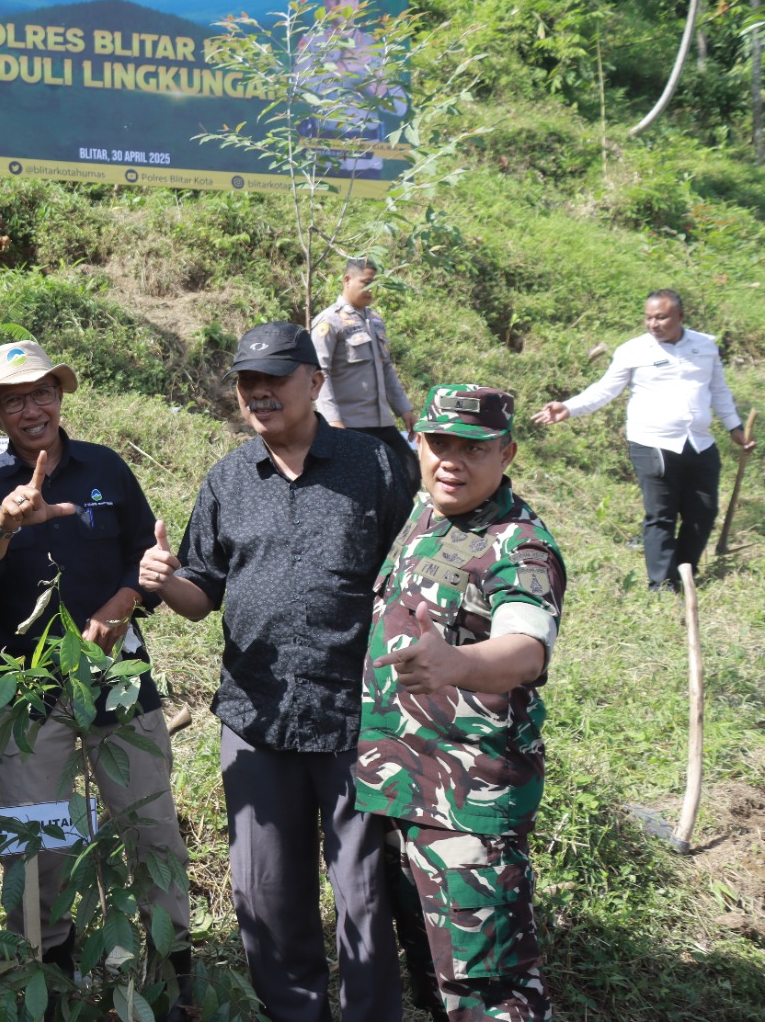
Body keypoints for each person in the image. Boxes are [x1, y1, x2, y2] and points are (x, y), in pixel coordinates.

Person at [138, 321, 414, 1022]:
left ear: (315, 384)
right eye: (246, 383)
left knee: (363, 890)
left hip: (355, 715)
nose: (259, 394)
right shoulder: (231, 477)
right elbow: (202, 596)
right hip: (257, 718)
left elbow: (411, 580)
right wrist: (164, 579)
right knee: (264, 890)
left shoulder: (377, 466)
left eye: (276, 379)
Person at [0, 341, 195, 1021]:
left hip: (117, 683)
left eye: (41, 393)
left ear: (60, 396)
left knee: (152, 833)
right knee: (35, 846)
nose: (31, 409)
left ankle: (175, 981)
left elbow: (147, 555)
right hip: (29, 692)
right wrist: (5, 521)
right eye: (13, 399)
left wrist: (118, 610)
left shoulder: (105, 469)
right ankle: (43, 982)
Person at [355, 385, 567, 1022]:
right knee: (432, 974)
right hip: (397, 789)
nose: (451, 460)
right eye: (438, 443)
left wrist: (459, 663)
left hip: (467, 807)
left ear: (506, 452)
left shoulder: (520, 545)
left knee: (489, 990)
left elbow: (525, 648)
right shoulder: (427, 514)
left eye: (472, 448)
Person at [532, 288, 753, 589]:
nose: (654, 324)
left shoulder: (705, 346)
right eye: (649, 318)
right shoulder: (633, 351)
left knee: (703, 511)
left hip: (699, 442)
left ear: (680, 316)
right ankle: (661, 584)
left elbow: (719, 390)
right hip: (653, 443)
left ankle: (685, 573)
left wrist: (734, 428)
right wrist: (568, 407)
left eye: (661, 317)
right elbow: (605, 389)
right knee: (662, 514)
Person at [294, 0, 407, 178]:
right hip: (323, 156)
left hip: (366, 159)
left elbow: (401, 107)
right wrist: (344, 66)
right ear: (325, 2)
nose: (339, 1)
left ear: (355, 3)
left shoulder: (374, 47)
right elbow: (299, 90)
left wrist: (380, 93)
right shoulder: (311, 43)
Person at [312, 257, 418, 477]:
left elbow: (386, 368)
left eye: (375, 284)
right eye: (366, 282)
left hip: (381, 421)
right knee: (360, 481)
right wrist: (333, 421)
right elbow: (319, 374)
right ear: (347, 280)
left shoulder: (375, 321)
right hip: (350, 424)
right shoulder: (329, 321)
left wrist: (404, 409)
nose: (372, 289)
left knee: (409, 473)